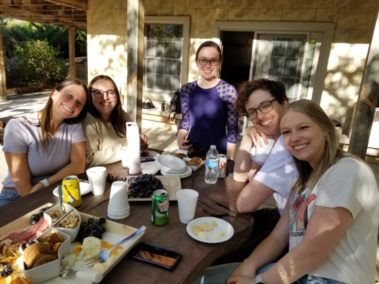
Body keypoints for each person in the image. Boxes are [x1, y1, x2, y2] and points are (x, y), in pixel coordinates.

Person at [195, 99, 379, 284]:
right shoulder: (303, 184)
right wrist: (247, 266)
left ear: (324, 128)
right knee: (203, 278)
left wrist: (257, 282)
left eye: (303, 127)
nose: (295, 137)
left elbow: (311, 253)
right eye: (286, 132)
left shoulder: (346, 170)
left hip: (330, 280)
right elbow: (277, 238)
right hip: (301, 275)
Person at [1, 79, 89, 207]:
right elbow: (23, 186)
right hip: (16, 196)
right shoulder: (18, 126)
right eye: (69, 96)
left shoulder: (73, 126)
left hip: (53, 191)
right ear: (53, 94)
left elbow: (78, 165)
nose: (72, 104)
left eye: (79, 103)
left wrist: (44, 184)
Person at [177, 41, 238, 159]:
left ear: (219, 63)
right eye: (203, 60)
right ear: (196, 61)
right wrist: (180, 139)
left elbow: (232, 129)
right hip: (191, 149)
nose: (208, 65)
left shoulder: (228, 90)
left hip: (217, 152)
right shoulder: (187, 89)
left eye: (213, 60)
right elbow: (186, 120)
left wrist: (229, 158)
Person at [83, 75, 148, 167]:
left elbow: (136, 146)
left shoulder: (122, 115)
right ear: (90, 96)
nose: (105, 97)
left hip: (129, 170)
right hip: (107, 177)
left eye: (111, 92)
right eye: (98, 93)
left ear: (117, 95)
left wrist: (139, 139)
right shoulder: (88, 121)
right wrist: (124, 146)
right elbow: (88, 159)